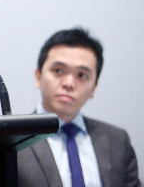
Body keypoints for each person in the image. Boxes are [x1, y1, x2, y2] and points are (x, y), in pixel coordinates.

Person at [18, 27, 141, 187]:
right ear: (38, 76)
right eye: (58, 71)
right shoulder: (13, 141)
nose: (69, 83)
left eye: (82, 75)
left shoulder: (118, 141)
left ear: (94, 87)